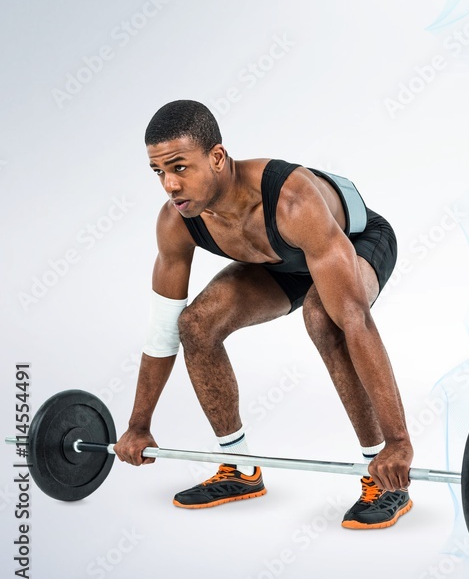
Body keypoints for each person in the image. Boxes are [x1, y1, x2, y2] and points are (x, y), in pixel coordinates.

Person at [113, 100, 413, 530]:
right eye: (159, 172)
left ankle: (384, 480)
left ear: (217, 157)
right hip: (280, 263)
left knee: (323, 316)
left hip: (355, 242)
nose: (169, 185)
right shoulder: (176, 222)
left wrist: (399, 441)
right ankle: (239, 468)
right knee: (196, 325)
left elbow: (354, 320)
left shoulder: (291, 200)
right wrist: (138, 425)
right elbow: (162, 333)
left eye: (180, 168)